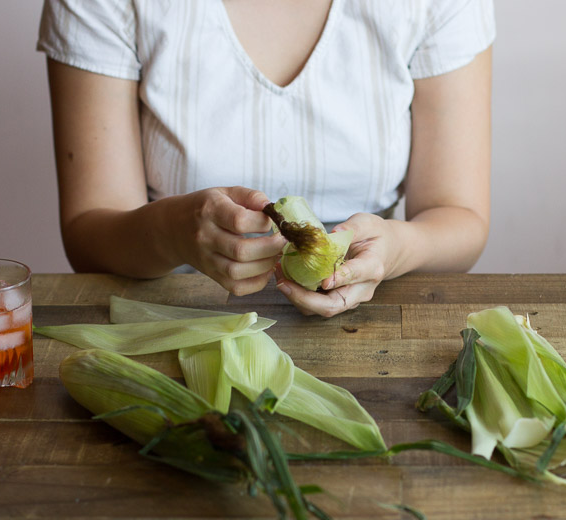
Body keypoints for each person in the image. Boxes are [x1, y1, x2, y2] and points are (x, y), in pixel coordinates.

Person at [37, 0, 495, 317]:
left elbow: (459, 216)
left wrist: (393, 251)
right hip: (176, 319)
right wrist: (172, 233)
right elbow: (88, 232)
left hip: (366, 323)